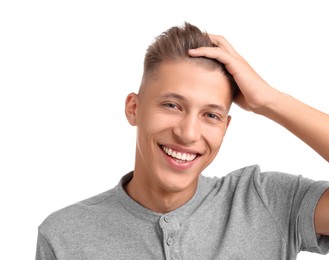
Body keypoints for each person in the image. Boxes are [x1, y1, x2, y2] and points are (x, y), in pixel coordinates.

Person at [35, 22, 329, 260]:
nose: (188, 133)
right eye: (172, 106)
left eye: (211, 115)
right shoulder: (64, 236)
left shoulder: (265, 202)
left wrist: (270, 101)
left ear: (226, 127)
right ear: (133, 108)